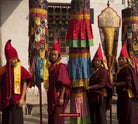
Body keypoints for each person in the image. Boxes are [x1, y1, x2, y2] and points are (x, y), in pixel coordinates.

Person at [0, 40, 32, 124]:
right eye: (12, 59)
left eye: (16, 59)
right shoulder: (3, 70)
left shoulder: (20, 69)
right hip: (6, 102)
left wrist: (22, 98)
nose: (15, 61)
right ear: (8, 59)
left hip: (16, 101)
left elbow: (25, 83)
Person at [86, 44, 112, 124]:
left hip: (101, 96)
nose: (96, 62)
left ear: (101, 62)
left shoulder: (103, 71)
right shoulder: (92, 71)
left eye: (98, 60)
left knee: (101, 116)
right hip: (93, 96)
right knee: (93, 116)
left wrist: (89, 87)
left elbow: (102, 84)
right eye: (95, 60)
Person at [113, 42, 138, 124]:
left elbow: (127, 82)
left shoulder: (128, 68)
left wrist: (115, 84)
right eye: (120, 59)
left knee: (128, 113)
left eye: (123, 59)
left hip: (127, 94)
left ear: (127, 60)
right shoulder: (121, 68)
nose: (121, 60)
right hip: (122, 94)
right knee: (123, 113)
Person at [47, 40, 71, 124]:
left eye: (55, 55)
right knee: (52, 117)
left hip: (57, 96)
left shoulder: (61, 67)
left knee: (58, 118)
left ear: (58, 56)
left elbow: (63, 83)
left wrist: (61, 97)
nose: (53, 56)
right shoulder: (52, 67)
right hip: (51, 96)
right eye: (51, 55)